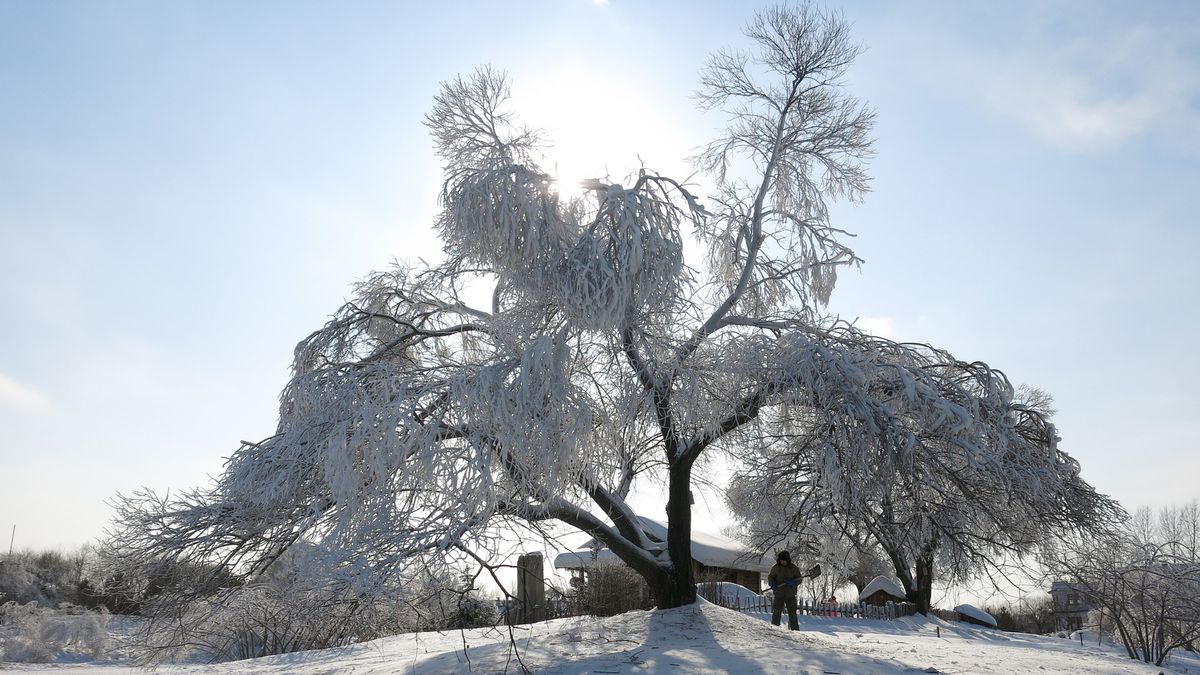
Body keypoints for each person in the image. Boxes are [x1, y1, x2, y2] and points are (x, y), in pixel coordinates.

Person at [767, 550, 802, 630]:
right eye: (781, 560)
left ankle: (795, 630)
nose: (782, 562)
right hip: (779, 594)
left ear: (787, 560)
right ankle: (775, 628)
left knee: (792, 613)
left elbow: (799, 579)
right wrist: (772, 583)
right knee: (776, 612)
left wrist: (793, 582)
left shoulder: (794, 568)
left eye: (783, 560)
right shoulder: (776, 568)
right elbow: (770, 577)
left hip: (790, 594)